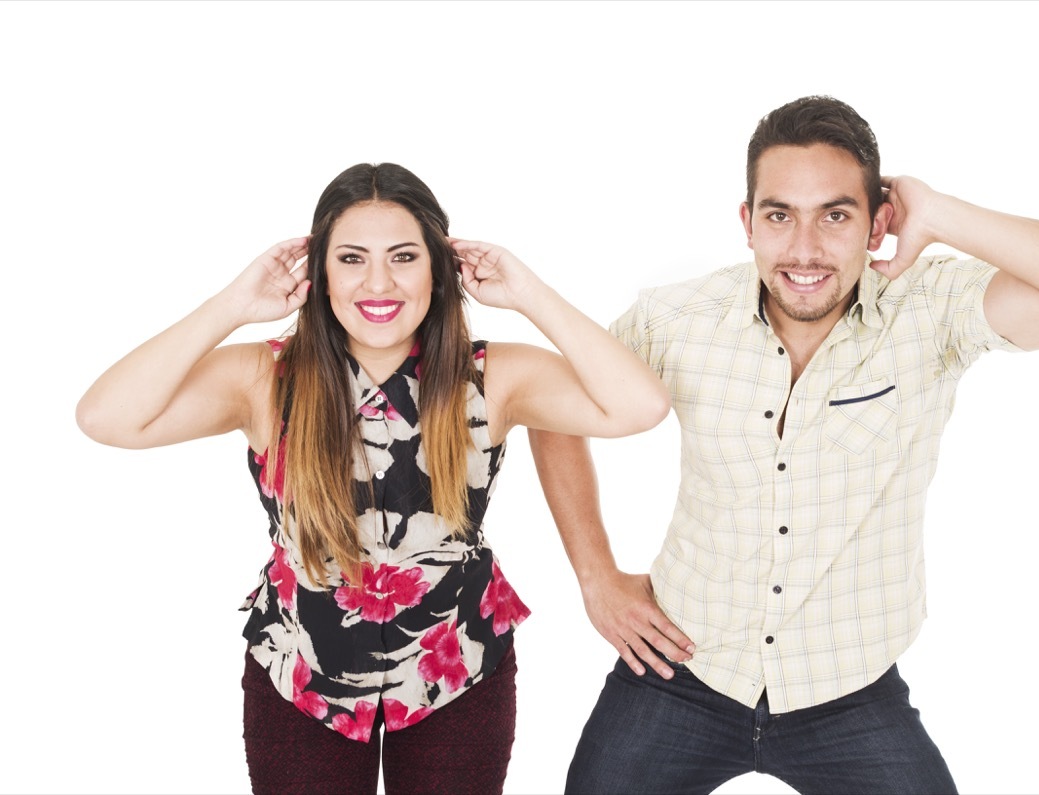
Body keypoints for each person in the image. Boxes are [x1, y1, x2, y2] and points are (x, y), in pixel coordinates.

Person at [528, 95, 1039, 794]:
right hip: (681, 667)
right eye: (779, 215)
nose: (804, 249)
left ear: (878, 221)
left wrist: (943, 214)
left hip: (848, 688)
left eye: (835, 214)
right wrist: (595, 575)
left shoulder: (930, 311)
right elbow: (552, 405)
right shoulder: (676, 319)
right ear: (748, 223)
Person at [75, 162, 670, 794]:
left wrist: (526, 292)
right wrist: (231, 306)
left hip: (456, 666)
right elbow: (105, 417)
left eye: (405, 257)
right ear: (320, 273)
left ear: (438, 271)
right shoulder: (264, 379)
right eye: (352, 258)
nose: (378, 282)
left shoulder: (494, 377)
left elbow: (640, 406)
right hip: (301, 672)